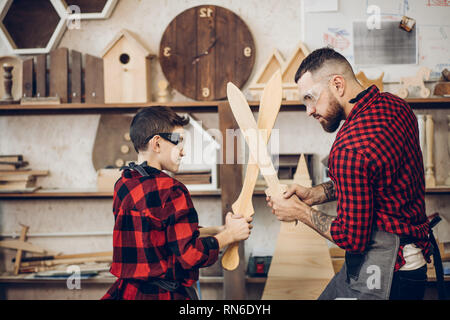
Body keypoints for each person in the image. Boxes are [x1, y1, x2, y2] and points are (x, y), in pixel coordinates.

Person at [266, 47, 432, 300]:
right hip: (415, 265)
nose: (309, 110)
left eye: (311, 97)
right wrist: (314, 194)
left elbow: (352, 237)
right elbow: (373, 178)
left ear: (337, 84)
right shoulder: (395, 107)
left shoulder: (349, 148)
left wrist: (299, 211)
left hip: (388, 272)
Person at [102, 107, 252, 300]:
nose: (183, 151)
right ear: (156, 143)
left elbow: (158, 233)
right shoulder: (172, 190)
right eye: (178, 141)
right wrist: (229, 235)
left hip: (129, 292)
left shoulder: (124, 182)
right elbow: (190, 255)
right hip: (162, 295)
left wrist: (220, 229)